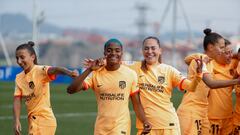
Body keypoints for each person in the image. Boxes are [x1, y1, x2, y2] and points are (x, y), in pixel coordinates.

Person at [67, 39, 151, 135]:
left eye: (117, 50)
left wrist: (145, 121)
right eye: (109, 50)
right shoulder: (95, 73)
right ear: (104, 53)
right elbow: (71, 90)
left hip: (121, 127)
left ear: (122, 53)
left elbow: (136, 104)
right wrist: (89, 69)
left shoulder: (130, 74)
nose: (113, 53)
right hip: (100, 128)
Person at [177, 29, 240, 135]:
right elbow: (211, 83)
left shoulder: (209, 63)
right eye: (221, 48)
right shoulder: (200, 60)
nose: (223, 51)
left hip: (203, 112)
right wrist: (237, 81)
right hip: (191, 111)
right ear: (210, 47)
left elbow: (187, 60)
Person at [13, 41, 79, 135]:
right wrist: (16, 120)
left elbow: (56, 69)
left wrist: (69, 73)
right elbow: (17, 100)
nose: (19, 61)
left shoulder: (40, 70)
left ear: (32, 57)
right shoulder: (19, 78)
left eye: (22, 57)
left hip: (44, 121)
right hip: (34, 121)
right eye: (17, 58)